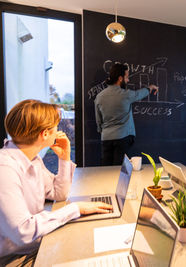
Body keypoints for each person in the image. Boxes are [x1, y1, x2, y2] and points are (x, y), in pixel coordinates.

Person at [0, 100, 112, 266]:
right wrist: (75, 209)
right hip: (16, 258)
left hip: (35, 244)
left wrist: (64, 158)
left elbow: (59, 194)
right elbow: (24, 231)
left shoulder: (33, 159)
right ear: (45, 134)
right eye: (56, 127)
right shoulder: (5, 169)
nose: (58, 131)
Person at [95, 63, 159, 166]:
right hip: (122, 138)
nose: (128, 80)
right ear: (120, 78)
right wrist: (150, 87)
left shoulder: (99, 97)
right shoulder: (126, 95)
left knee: (105, 169)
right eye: (127, 77)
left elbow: (98, 121)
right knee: (119, 170)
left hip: (106, 138)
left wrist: (104, 132)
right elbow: (139, 94)